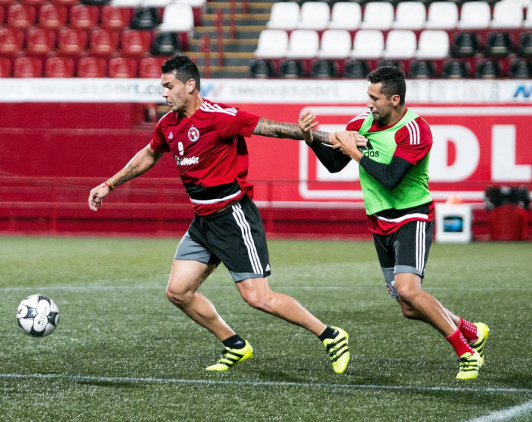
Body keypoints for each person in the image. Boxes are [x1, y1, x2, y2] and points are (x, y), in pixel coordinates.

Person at [89, 55, 365, 374]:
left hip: (233, 216)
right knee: (178, 292)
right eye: (162, 86)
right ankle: (235, 345)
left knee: (259, 298)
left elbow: (273, 129)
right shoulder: (168, 124)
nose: (163, 93)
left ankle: (331, 336)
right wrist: (110, 183)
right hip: (203, 221)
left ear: (190, 85)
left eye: (169, 86)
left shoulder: (220, 116)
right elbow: (149, 155)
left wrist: (328, 137)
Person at [299, 66, 490, 380]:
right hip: (379, 222)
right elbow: (334, 165)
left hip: (411, 217)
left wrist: (355, 153)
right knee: (408, 306)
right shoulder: (361, 122)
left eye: (375, 97)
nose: (369, 102)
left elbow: (390, 178)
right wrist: (309, 139)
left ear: (395, 99)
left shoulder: (416, 130)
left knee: (408, 289)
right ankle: (472, 331)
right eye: (368, 95)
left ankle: (465, 352)